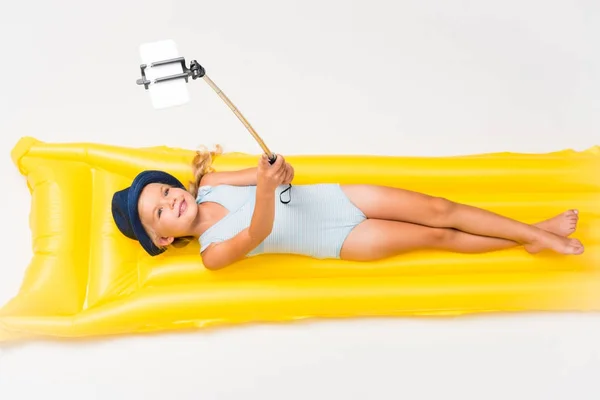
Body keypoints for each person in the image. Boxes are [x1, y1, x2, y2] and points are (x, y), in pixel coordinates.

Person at [111, 147, 584, 270]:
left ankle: (535, 233)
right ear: (164, 239)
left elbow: (268, 176)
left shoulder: (211, 182)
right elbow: (257, 231)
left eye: (164, 191)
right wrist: (266, 189)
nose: (171, 200)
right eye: (159, 214)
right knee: (438, 236)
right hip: (336, 240)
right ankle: (535, 237)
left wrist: (277, 169)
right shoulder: (212, 254)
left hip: (335, 197)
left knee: (440, 208)